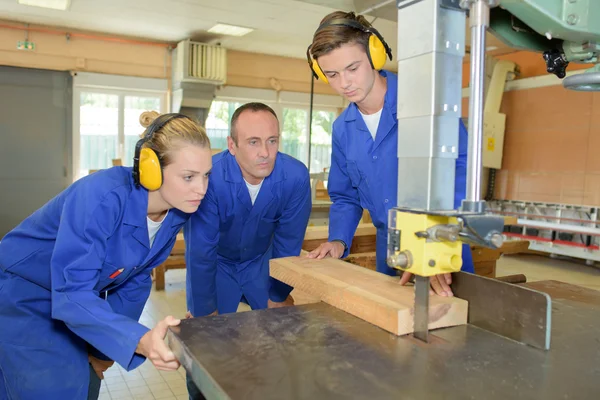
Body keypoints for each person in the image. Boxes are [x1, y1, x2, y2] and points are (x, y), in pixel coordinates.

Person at [0, 111, 212, 400]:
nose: (201, 189)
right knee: (53, 387)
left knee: (87, 383)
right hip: (24, 292)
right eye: (188, 177)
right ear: (151, 169)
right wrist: (138, 338)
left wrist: (104, 352)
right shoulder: (100, 197)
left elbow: (134, 282)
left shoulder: (174, 213)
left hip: (74, 297)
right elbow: (71, 293)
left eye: (206, 176)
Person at [305, 11, 474, 296]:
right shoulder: (342, 130)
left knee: (454, 331)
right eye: (332, 75)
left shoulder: (425, 104)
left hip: (440, 245)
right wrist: (338, 240)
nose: (344, 82)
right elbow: (346, 196)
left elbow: (460, 172)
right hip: (390, 251)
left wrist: (436, 242)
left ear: (375, 54)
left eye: (352, 68)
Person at [184, 102, 311, 398]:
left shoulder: (294, 177)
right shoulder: (209, 178)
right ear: (232, 145)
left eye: (272, 141)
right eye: (253, 142)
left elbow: (288, 242)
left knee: (279, 336)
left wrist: (278, 294)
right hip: (216, 265)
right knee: (205, 346)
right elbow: (201, 251)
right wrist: (206, 312)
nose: (264, 152)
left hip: (261, 262)